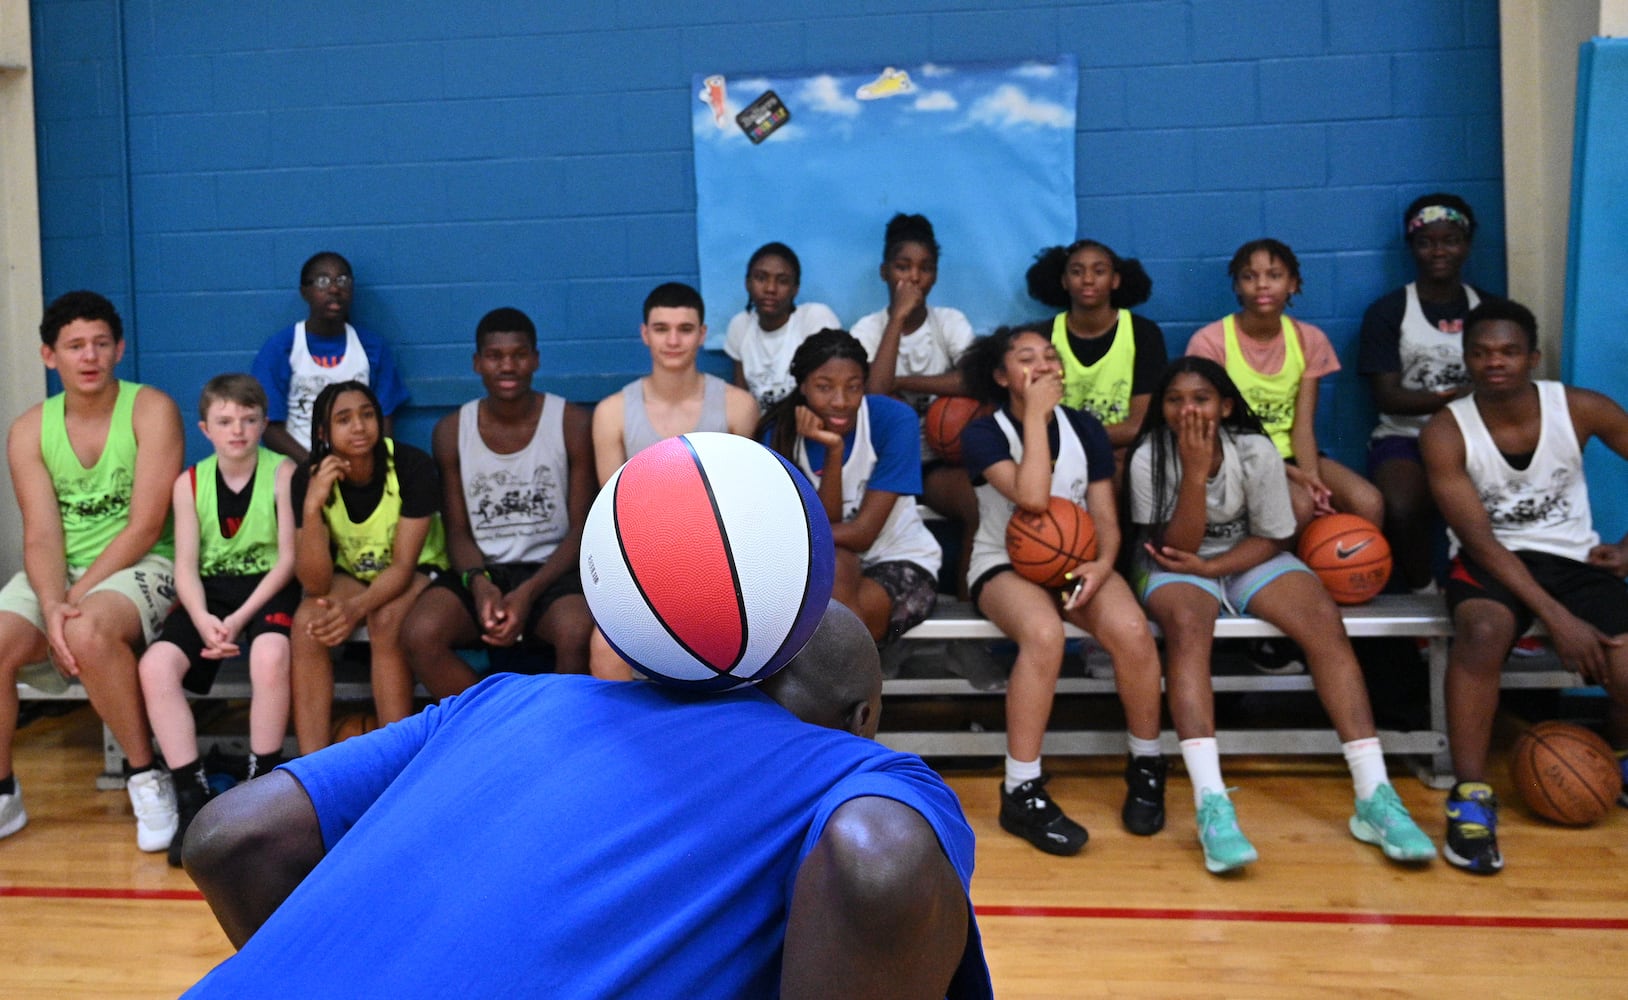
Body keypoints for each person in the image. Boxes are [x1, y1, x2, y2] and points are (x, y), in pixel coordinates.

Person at [181, 602, 992, 999]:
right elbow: (879, 857)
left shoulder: (507, 697)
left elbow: (230, 835)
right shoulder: (848, 768)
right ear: (861, 722)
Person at [1125, 356, 1436, 874]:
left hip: (1248, 555)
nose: (1187, 409)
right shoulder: (1150, 457)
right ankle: (1212, 804)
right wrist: (1197, 474)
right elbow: (1173, 547)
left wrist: (1218, 563)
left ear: (1225, 406)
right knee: (1186, 629)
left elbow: (1275, 538)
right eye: (1175, 400)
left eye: (1200, 398)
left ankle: (1374, 794)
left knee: (1323, 622)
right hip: (1171, 562)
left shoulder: (1255, 448)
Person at [1420, 299, 1628, 875]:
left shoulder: (1580, 408)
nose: (1495, 363)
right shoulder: (1445, 430)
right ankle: (1470, 796)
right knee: (1482, 629)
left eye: (1509, 351)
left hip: (1571, 558)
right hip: (1491, 561)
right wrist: (1557, 618)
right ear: (1465, 360)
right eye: (1482, 353)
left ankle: (1620, 756)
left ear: (1531, 356)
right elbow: (1480, 540)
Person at [957, 325, 1163, 855]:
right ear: (1003, 377)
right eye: (1028, 359)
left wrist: (1103, 564)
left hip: (1077, 562)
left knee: (1133, 630)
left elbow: (1105, 518)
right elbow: (1031, 500)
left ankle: (1146, 764)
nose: (1046, 366)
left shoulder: (1087, 429)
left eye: (1051, 356)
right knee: (1045, 634)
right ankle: (1020, 788)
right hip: (1002, 564)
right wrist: (1034, 416)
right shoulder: (984, 433)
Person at [0, 291, 183, 849]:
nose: (89, 356)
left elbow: (146, 525)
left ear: (120, 349)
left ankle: (145, 774)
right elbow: (42, 533)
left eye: (101, 343)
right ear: (48, 355)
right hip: (62, 571)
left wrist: (68, 604)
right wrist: (51, 603)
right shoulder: (30, 429)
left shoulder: (151, 409)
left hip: (145, 562)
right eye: (74, 345)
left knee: (86, 629)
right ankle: (4, 792)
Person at [138, 374, 298, 866]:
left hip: (268, 587)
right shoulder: (188, 482)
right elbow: (184, 565)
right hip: (210, 593)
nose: (238, 430)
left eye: (249, 420)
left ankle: (261, 790)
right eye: (226, 421)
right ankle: (192, 795)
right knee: (155, 667)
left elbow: (288, 560)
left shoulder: (285, 472)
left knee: (270, 654)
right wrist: (206, 618)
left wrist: (240, 617)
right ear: (205, 428)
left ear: (263, 423)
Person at [400, 308, 596, 695]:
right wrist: (480, 585)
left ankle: (556, 737)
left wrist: (528, 593)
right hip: (484, 571)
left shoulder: (571, 422)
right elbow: (457, 531)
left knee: (577, 633)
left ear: (536, 359)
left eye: (519, 355)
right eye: (495, 356)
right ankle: (487, 728)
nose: (508, 366)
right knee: (420, 633)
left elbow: (580, 531)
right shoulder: (452, 431)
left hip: (551, 571)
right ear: (477, 363)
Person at [588, 284, 757, 677]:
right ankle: (622, 740)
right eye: (662, 328)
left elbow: (742, 506)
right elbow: (614, 516)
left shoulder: (737, 406)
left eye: (685, 328)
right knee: (605, 647)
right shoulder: (612, 413)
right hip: (644, 563)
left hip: (722, 564)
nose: (674, 340)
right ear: (645, 334)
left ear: (702, 334)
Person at [289, 380, 448, 754]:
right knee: (307, 623)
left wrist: (354, 609)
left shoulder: (412, 466)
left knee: (386, 620)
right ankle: (311, 767)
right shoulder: (307, 478)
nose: (359, 426)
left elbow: (404, 566)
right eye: (344, 419)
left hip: (420, 571)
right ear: (323, 433)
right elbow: (315, 582)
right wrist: (312, 509)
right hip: (353, 577)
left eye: (366, 415)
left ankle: (393, 759)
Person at [759, 331, 942, 647]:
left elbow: (862, 534)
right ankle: (855, 686)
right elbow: (829, 524)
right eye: (824, 387)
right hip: (822, 565)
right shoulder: (781, 435)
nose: (841, 401)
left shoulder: (894, 420)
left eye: (853, 387)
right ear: (802, 386)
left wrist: (834, 448)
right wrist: (833, 451)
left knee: (832, 629)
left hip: (900, 559)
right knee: (835, 590)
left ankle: (842, 680)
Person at [1187, 238, 1382, 528]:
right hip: (1236, 456)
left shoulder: (1309, 339)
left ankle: (1349, 570)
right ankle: (1286, 570)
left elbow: (1302, 426)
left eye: (1274, 275)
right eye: (1249, 277)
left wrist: (1312, 477)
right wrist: (1292, 476)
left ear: (1293, 284)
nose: (1262, 285)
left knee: (1368, 502)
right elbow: (1214, 430)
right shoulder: (1210, 342)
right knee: (1298, 505)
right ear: (1237, 286)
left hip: (1291, 454)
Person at [1359, 194, 1495, 593]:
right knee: (1399, 506)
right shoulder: (1388, 311)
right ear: (1412, 247)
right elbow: (1389, 397)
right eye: (1427, 241)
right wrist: (1459, 395)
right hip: (1406, 435)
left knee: (1499, 510)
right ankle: (1423, 592)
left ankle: (1491, 593)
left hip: (1476, 437)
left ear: (1467, 245)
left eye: (1450, 240)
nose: (1439, 251)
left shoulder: (1490, 309)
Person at [851, 213, 980, 597]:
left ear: (936, 275)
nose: (913, 278)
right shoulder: (867, 329)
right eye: (903, 267)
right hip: (883, 467)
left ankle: (967, 618)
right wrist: (899, 318)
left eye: (924, 269)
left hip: (938, 464)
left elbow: (972, 379)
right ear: (884, 272)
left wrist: (903, 382)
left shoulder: (950, 322)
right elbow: (873, 397)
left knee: (979, 504)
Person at [251, 252, 409, 465]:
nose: (335, 289)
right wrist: (315, 467)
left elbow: (385, 419)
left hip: (360, 467)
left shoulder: (372, 346)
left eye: (342, 280)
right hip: (298, 466)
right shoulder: (280, 348)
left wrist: (375, 467)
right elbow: (269, 427)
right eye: (322, 281)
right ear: (304, 292)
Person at [1025, 238, 1168, 452]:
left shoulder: (1143, 333)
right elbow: (1033, 420)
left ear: (1115, 280)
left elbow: (1139, 426)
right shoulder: (1042, 337)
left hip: (1121, 450)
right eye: (1076, 272)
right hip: (1058, 453)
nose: (1088, 280)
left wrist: (1071, 438)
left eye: (1099, 271)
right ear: (1064, 281)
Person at [724, 242, 841, 410]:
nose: (770, 288)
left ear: (795, 289)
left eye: (782, 281)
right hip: (761, 430)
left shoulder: (814, 318)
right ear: (748, 283)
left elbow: (829, 389)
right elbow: (742, 400)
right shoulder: (740, 325)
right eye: (761, 278)